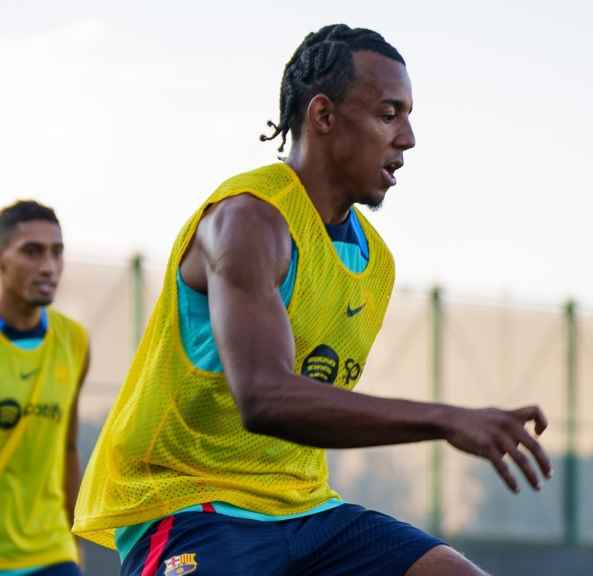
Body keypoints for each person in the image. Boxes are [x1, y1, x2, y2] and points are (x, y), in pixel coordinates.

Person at [74, 24, 550, 576]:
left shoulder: (375, 261)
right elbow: (265, 398)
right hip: (191, 503)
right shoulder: (247, 219)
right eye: (389, 113)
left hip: (304, 508)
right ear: (323, 116)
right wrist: (446, 418)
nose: (409, 138)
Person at [0, 201, 90, 576]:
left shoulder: (74, 341)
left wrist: (74, 538)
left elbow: (68, 447)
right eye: (31, 251)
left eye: (57, 252)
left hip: (51, 553)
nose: (48, 267)